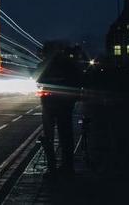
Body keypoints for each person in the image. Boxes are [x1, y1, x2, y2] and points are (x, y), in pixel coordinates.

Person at [36, 49, 82, 179]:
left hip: (49, 103)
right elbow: (79, 81)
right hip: (65, 104)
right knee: (66, 136)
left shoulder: (46, 65)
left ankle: (52, 168)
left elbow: (37, 78)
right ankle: (68, 167)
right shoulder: (70, 65)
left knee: (49, 137)